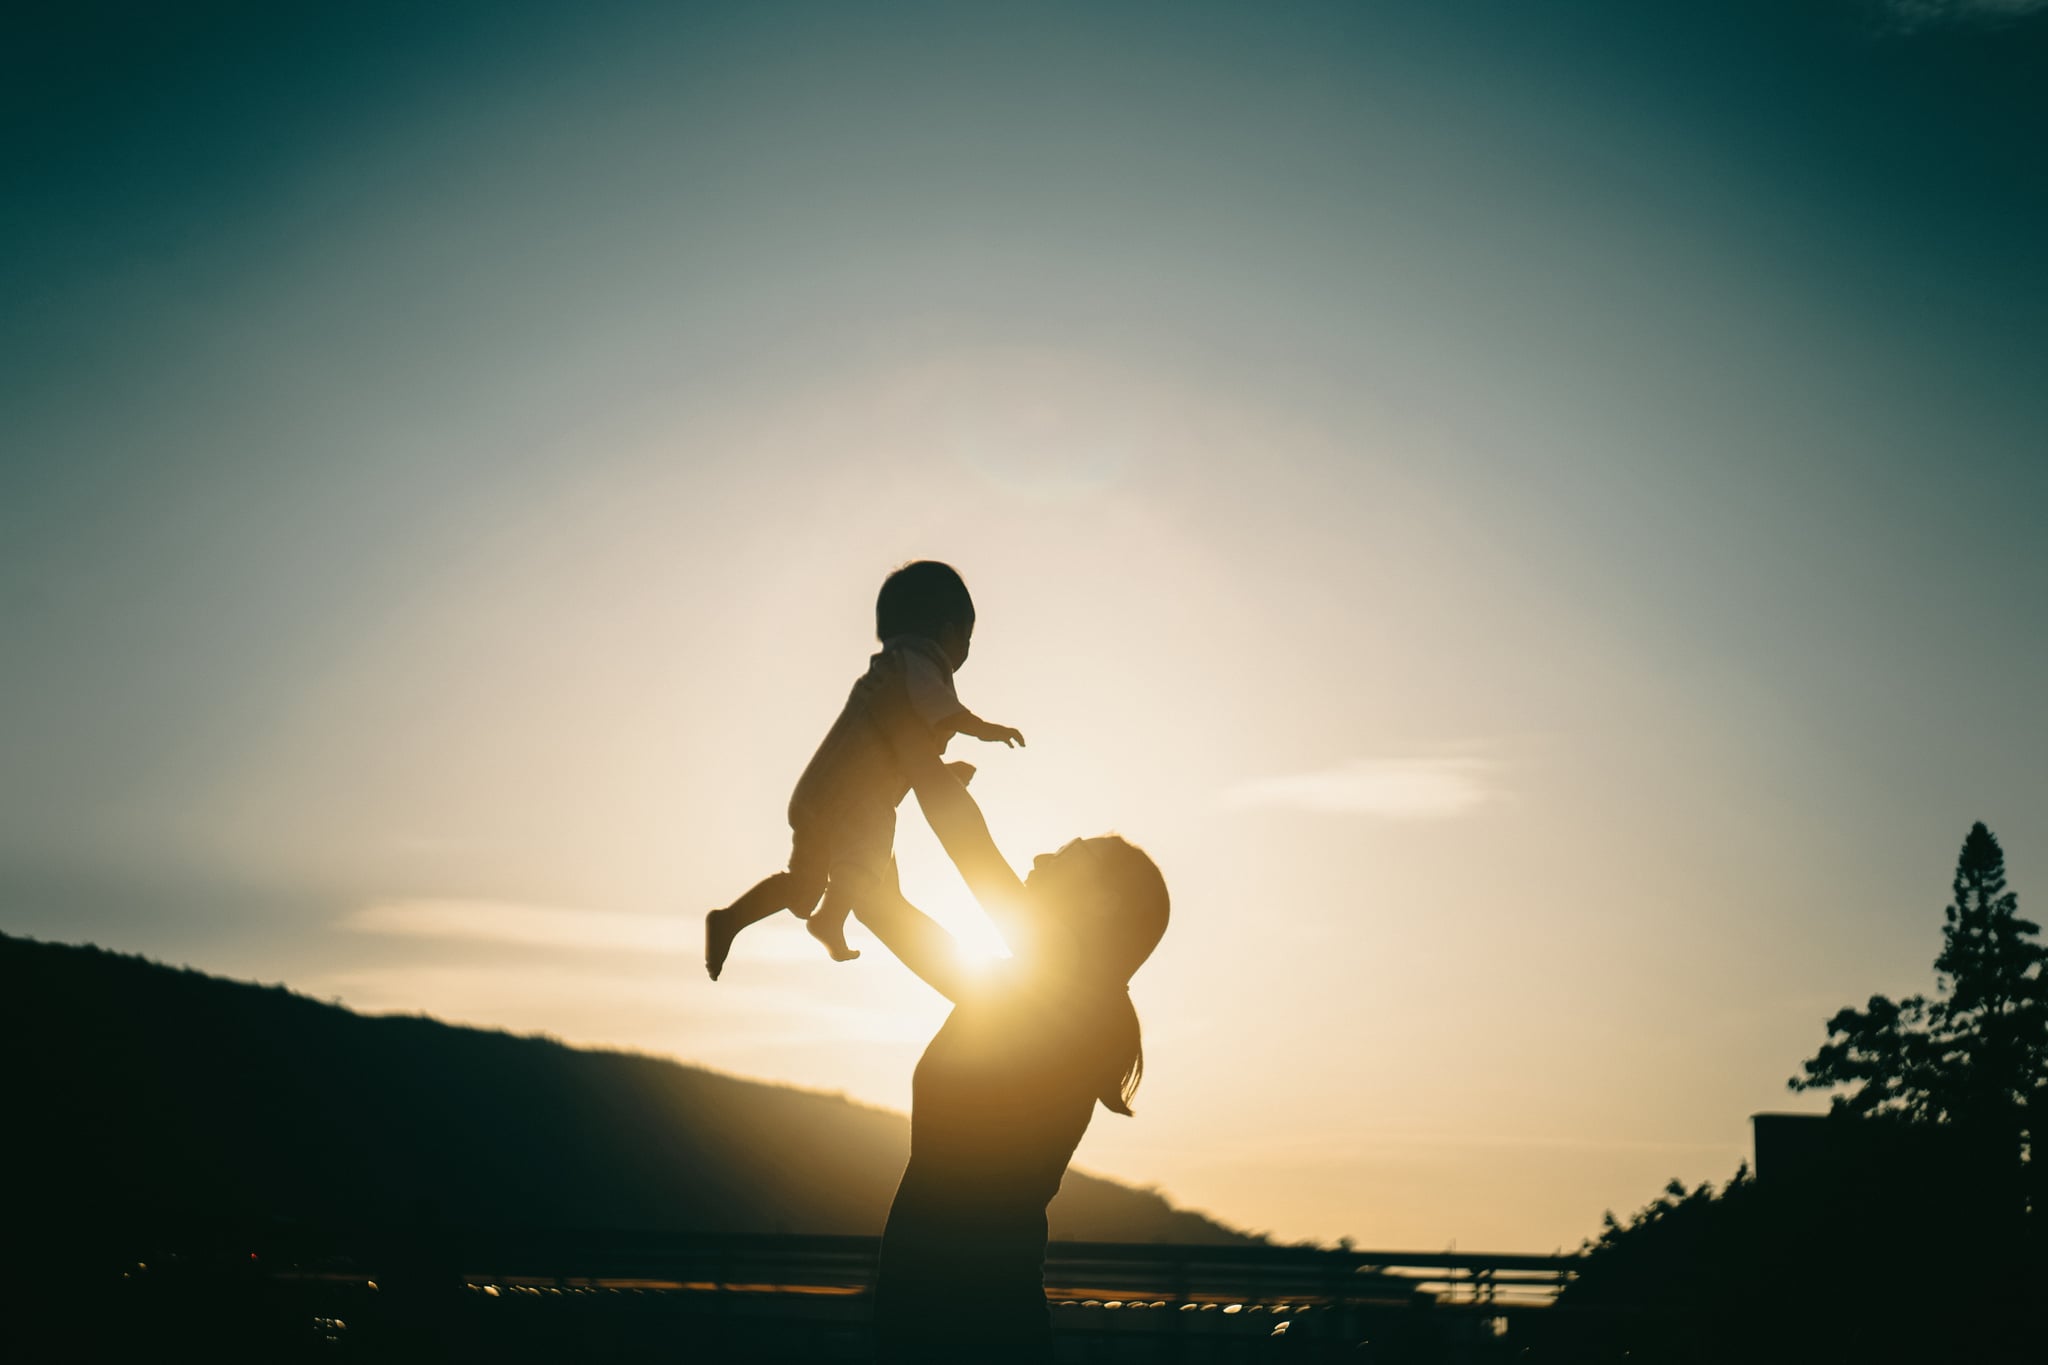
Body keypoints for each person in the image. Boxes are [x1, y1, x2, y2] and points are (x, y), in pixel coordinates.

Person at [848, 718, 1170, 1365]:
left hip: (965, 1319)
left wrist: (911, 761)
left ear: (1097, 909)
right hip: (936, 1310)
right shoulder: (1022, 993)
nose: (1039, 859)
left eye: (1065, 857)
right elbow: (887, 912)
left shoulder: (1068, 1002)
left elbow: (970, 850)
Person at [704, 560, 1025, 981]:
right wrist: (985, 729)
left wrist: (942, 772)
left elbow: (893, 748)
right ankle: (831, 917)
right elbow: (939, 714)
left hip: (821, 792)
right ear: (948, 632)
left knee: (801, 887)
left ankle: (730, 920)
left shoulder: (889, 670)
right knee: (871, 853)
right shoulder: (918, 662)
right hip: (854, 801)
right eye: (967, 638)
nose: (966, 650)